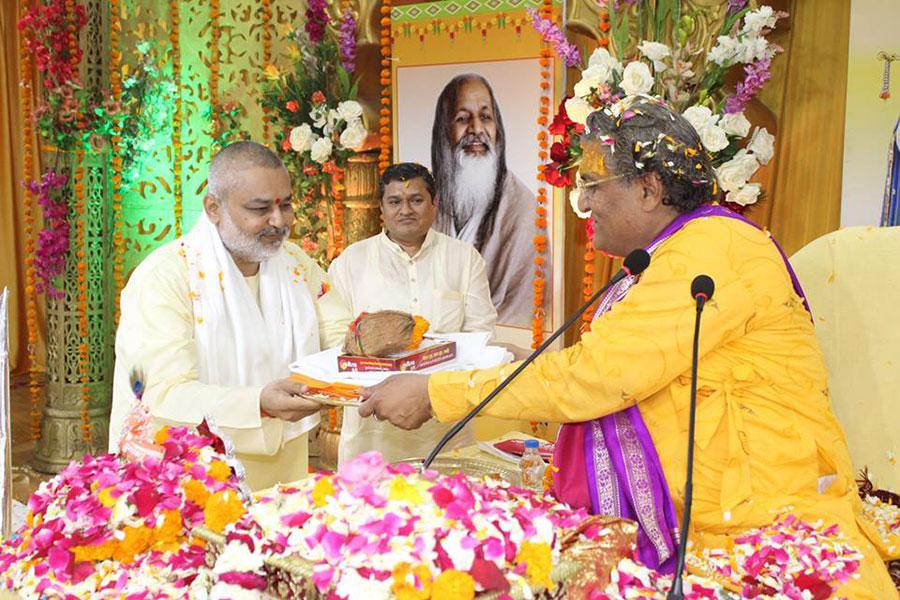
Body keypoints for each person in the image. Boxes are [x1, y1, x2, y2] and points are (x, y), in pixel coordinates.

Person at [360, 97, 898, 597]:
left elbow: (595, 376)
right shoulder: (671, 252)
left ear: (648, 190)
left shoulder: (709, 251)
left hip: (751, 518)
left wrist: (438, 392)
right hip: (708, 506)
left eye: (594, 184)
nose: (585, 202)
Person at [110, 141, 327, 491]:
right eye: (260, 208)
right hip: (182, 474)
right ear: (213, 207)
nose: (279, 221)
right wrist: (258, 402)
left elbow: (336, 327)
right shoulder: (166, 276)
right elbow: (162, 395)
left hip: (281, 468)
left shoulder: (295, 265)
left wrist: (365, 340)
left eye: (285, 204)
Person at [319, 162, 497, 465]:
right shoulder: (351, 262)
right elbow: (334, 336)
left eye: (416, 200)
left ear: (434, 204)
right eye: (395, 202)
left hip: (445, 428)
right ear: (381, 208)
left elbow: (482, 335)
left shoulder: (463, 258)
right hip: (372, 431)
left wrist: (431, 387)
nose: (406, 210)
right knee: (370, 511)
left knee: (452, 510)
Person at [431, 73, 542, 327]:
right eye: (462, 119)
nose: (477, 130)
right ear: (443, 130)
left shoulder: (524, 212)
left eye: (485, 117)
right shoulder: (428, 199)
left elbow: (524, 308)